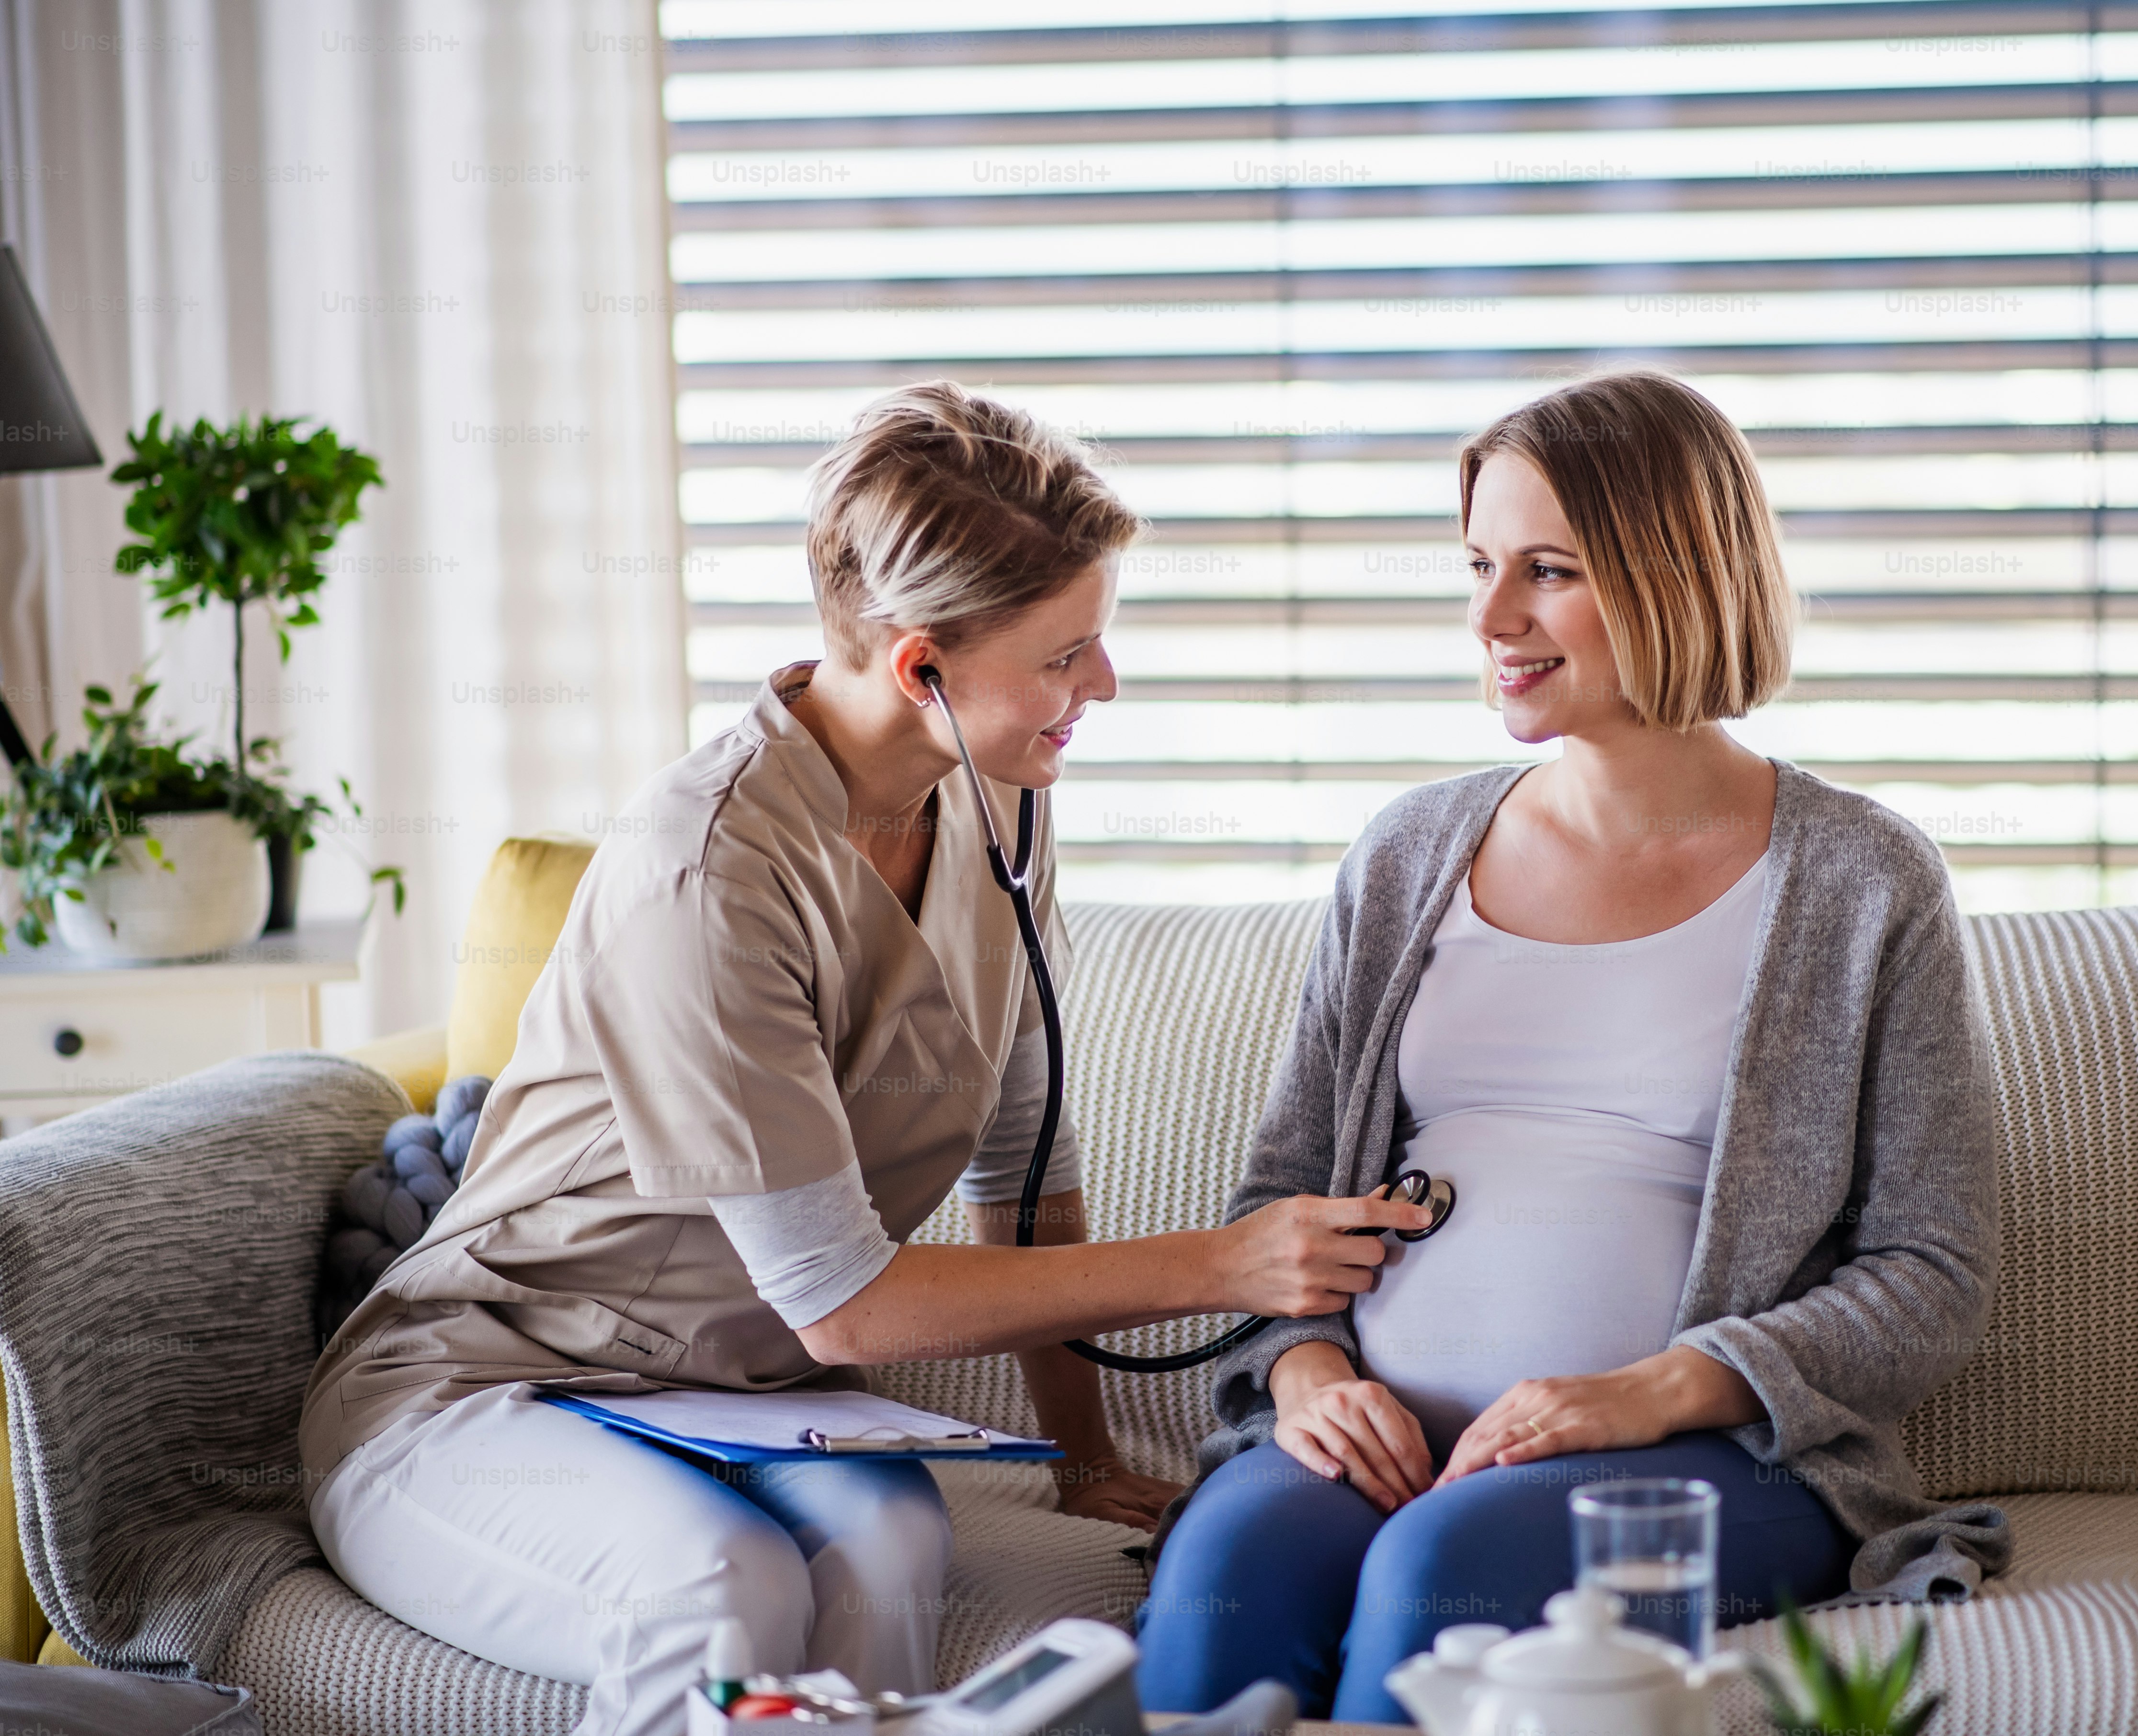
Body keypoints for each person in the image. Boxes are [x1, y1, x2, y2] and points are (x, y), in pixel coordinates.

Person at [298, 383, 1431, 1736]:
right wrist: (1231, 1261)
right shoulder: (711, 865)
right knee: (715, 1589)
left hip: (735, 1400)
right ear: (919, 666)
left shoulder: (998, 784)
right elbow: (841, 1304)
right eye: (1068, 653)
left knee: (887, 1547)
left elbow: (1025, 1163)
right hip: (486, 1381)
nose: (1103, 684)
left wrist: (1082, 1453)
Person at [1135, 371, 2011, 1723]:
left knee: (1440, 1569)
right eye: (1480, 565)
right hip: (1371, 1431)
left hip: (1703, 1456)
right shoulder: (1409, 854)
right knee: (1218, 1593)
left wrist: (1651, 1391)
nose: (1492, 619)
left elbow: (1932, 1272)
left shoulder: (1860, 880)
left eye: (1547, 572)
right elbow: (1281, 1203)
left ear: (1676, 577)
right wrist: (1310, 1371)